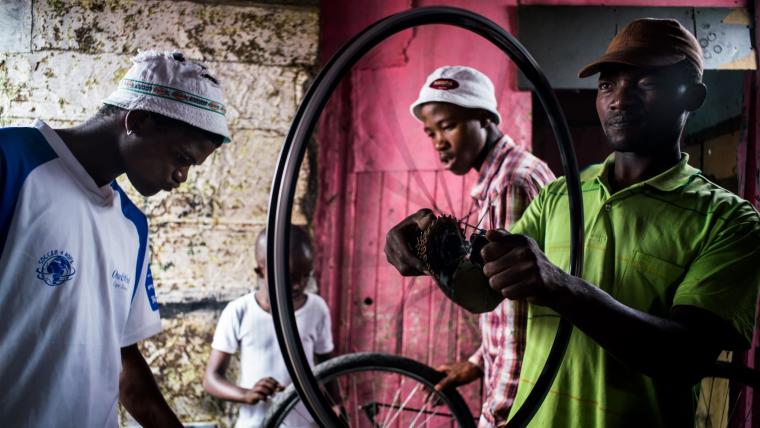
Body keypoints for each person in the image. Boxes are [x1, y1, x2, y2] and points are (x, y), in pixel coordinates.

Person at [387, 18, 760, 427]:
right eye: (607, 85)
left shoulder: (730, 221)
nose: (619, 99)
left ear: (693, 96)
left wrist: (560, 286)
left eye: (646, 83)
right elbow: (483, 294)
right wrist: (432, 253)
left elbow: (685, 357)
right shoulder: (559, 196)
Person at [0, 51, 230, 427]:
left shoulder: (132, 226)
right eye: (181, 157)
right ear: (137, 121)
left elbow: (123, 361)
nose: (181, 177)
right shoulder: (14, 161)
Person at [388, 65, 555, 426]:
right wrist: (478, 363)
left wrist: (501, 410)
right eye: (430, 132)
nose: (438, 142)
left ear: (484, 118)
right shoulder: (503, 176)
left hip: (518, 401)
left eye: (448, 126)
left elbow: (513, 308)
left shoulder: (510, 183)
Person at [203, 226, 335, 428]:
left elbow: (330, 370)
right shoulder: (239, 311)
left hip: (306, 424)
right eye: (290, 277)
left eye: (305, 275)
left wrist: (338, 409)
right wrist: (245, 394)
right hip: (256, 424)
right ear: (261, 271)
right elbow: (211, 379)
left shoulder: (317, 308)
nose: (299, 285)